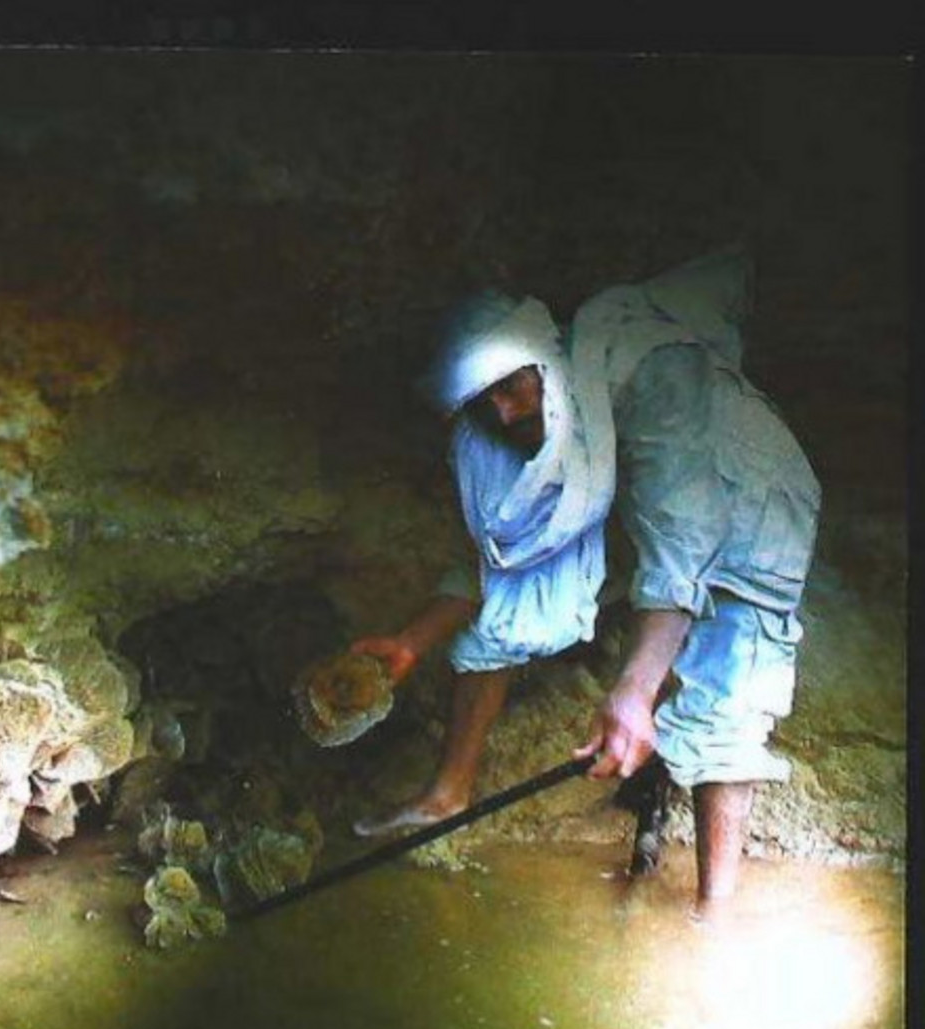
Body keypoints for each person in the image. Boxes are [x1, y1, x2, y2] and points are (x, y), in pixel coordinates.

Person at [350, 247, 820, 921]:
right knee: (506, 614)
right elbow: (497, 558)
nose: (505, 413)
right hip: (639, 496)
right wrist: (410, 641)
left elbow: (678, 555)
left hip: (751, 501)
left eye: (512, 387)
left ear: (544, 362)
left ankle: (713, 913)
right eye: (486, 401)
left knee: (728, 688)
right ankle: (448, 791)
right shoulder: (530, 427)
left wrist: (633, 694)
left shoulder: (655, 378)